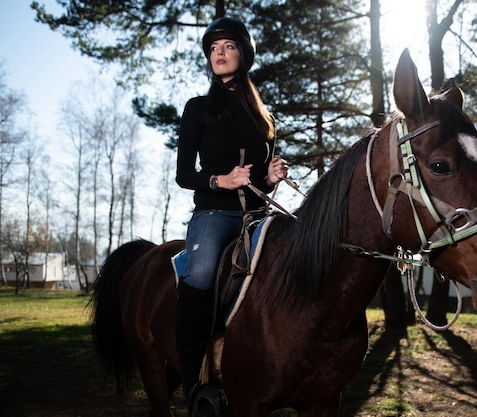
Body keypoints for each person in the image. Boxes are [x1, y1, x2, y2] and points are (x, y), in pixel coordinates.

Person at [175, 16, 288, 410]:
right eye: (213, 49)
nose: (219, 54)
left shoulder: (263, 116)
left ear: (244, 53)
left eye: (228, 47)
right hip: (213, 215)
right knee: (202, 271)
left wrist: (271, 177)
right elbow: (183, 175)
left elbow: (259, 178)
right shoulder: (197, 108)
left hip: (259, 215)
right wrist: (220, 181)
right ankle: (192, 377)